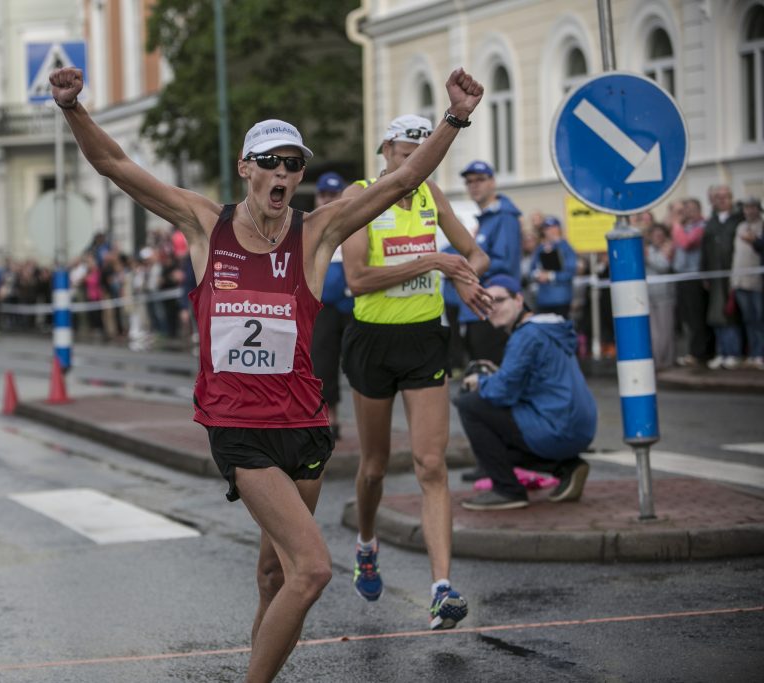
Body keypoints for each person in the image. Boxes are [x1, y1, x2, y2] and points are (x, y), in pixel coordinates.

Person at [49, 65, 485, 682]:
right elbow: (117, 166)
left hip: (303, 426)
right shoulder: (207, 225)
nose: (282, 175)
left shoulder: (315, 235)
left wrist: (455, 118)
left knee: (274, 576)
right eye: (270, 163)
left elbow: (406, 177)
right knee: (311, 569)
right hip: (239, 428)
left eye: (293, 165)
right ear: (245, 168)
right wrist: (74, 110)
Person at [340, 114, 492, 628]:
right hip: (373, 343)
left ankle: (441, 588)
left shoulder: (432, 195)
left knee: (432, 465)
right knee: (376, 467)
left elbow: (474, 252)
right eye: (406, 154)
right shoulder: (359, 197)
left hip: (425, 341)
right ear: (385, 149)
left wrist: (468, 279)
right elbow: (357, 279)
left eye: (423, 155)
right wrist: (433, 263)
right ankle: (366, 542)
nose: (415, 164)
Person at [455, 275, 597, 509]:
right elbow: (528, 380)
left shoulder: (526, 336)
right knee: (492, 426)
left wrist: (480, 380)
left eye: (499, 300)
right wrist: (495, 376)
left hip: (558, 427)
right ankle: (567, 467)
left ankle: (507, 490)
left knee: (470, 405)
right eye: (487, 303)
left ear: (519, 300)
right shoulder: (548, 329)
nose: (493, 308)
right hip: (579, 426)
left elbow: (501, 393)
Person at [458, 159, 522, 365]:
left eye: (480, 179)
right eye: (469, 181)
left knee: (492, 371)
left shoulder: (504, 216)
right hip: (479, 307)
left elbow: (505, 264)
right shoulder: (487, 218)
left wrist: (464, 270)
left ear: (492, 182)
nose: (474, 185)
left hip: (492, 308)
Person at [309, 171, 353, 440]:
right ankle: (329, 419)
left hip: (351, 305)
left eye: (334, 194)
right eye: (324, 194)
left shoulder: (354, 222)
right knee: (322, 365)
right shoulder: (310, 227)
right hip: (322, 307)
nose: (328, 199)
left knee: (358, 365)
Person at [703, 185, 744, 369]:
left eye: (725, 196)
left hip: (734, 275)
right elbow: (704, 251)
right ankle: (722, 352)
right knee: (716, 315)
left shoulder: (738, 220)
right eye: (717, 197)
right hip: (714, 276)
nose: (721, 200)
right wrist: (704, 274)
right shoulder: (711, 222)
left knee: (731, 314)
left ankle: (733, 353)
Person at [672, 198, 710, 366]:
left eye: (691, 209)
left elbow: (687, 243)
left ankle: (699, 353)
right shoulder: (685, 227)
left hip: (694, 276)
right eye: (685, 210)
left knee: (697, 317)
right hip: (682, 276)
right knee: (687, 318)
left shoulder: (701, 226)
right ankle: (693, 351)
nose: (688, 213)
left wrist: (676, 225)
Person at [733, 198, 763, 369]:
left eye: (752, 207)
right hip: (740, 280)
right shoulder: (740, 227)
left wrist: (755, 241)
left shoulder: (762, 226)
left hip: (758, 281)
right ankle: (753, 353)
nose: (749, 211)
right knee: (748, 319)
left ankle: (760, 353)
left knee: (759, 319)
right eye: (746, 208)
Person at [529, 216, 577, 318]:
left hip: (561, 298)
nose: (550, 231)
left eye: (553, 228)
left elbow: (570, 271)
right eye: (547, 229)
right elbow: (532, 269)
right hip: (543, 299)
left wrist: (550, 276)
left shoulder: (565, 247)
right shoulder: (540, 248)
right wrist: (538, 275)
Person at [645, 223, 677, 369]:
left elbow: (663, 265)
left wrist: (647, 257)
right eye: (655, 235)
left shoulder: (669, 247)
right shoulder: (649, 249)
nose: (658, 238)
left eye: (660, 235)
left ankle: (667, 360)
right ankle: (657, 360)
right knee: (654, 331)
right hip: (649, 294)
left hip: (665, 294)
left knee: (666, 329)